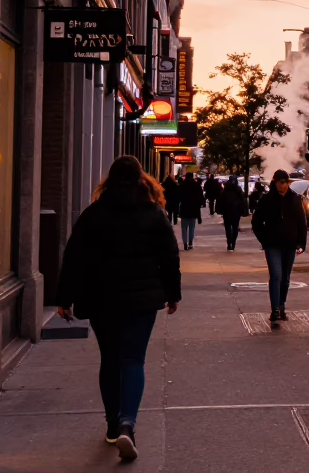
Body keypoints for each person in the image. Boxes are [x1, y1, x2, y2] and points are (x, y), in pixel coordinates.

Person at [56, 156, 181, 462]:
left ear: (109, 180)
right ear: (141, 178)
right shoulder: (154, 214)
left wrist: (64, 298)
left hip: (101, 298)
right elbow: (169, 257)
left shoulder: (94, 214)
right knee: (133, 360)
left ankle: (112, 425)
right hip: (142, 300)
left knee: (110, 359)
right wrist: (172, 294)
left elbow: (73, 257)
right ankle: (128, 423)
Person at [251, 170, 307, 326]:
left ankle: (281, 305)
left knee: (285, 278)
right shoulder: (267, 200)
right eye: (278, 182)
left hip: (289, 245)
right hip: (273, 245)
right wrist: (264, 240)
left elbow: (301, 223)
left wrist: (301, 243)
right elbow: (256, 223)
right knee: (276, 275)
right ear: (274, 183)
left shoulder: (295, 199)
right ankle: (275, 308)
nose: (281, 186)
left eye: (284, 182)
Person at [218, 175, 248, 251]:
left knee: (228, 228)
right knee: (235, 228)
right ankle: (233, 243)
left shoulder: (225, 190)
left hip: (227, 212)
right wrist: (242, 210)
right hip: (236, 212)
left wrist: (220, 210)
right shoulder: (238, 190)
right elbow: (242, 201)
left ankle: (229, 243)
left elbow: (220, 200)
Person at [177, 176, 204, 250]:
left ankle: (185, 243)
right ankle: (190, 242)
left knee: (184, 227)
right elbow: (200, 198)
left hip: (184, 209)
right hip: (193, 209)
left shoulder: (182, 186)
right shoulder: (196, 186)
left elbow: (178, 198)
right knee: (192, 227)